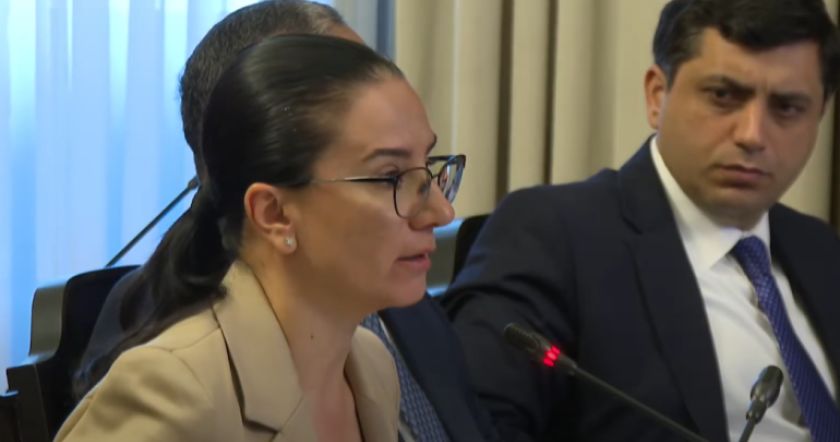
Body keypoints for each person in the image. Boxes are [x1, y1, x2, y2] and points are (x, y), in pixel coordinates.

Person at [78, 2, 497, 441]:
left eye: (427, 167)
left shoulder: (371, 363)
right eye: (390, 177)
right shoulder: (168, 394)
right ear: (274, 214)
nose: (441, 213)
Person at [442, 0, 840, 441]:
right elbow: (472, 429)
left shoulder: (821, 250)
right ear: (657, 95)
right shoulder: (552, 235)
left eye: (787, 107)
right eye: (723, 96)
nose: (752, 135)